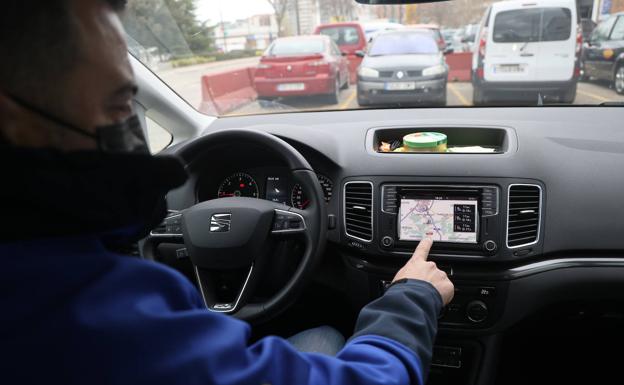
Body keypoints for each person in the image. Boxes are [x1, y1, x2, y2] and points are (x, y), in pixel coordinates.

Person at [0, 1, 455, 384]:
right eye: (120, 104)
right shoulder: (87, 311)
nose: (130, 126)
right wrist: (413, 294)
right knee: (326, 338)